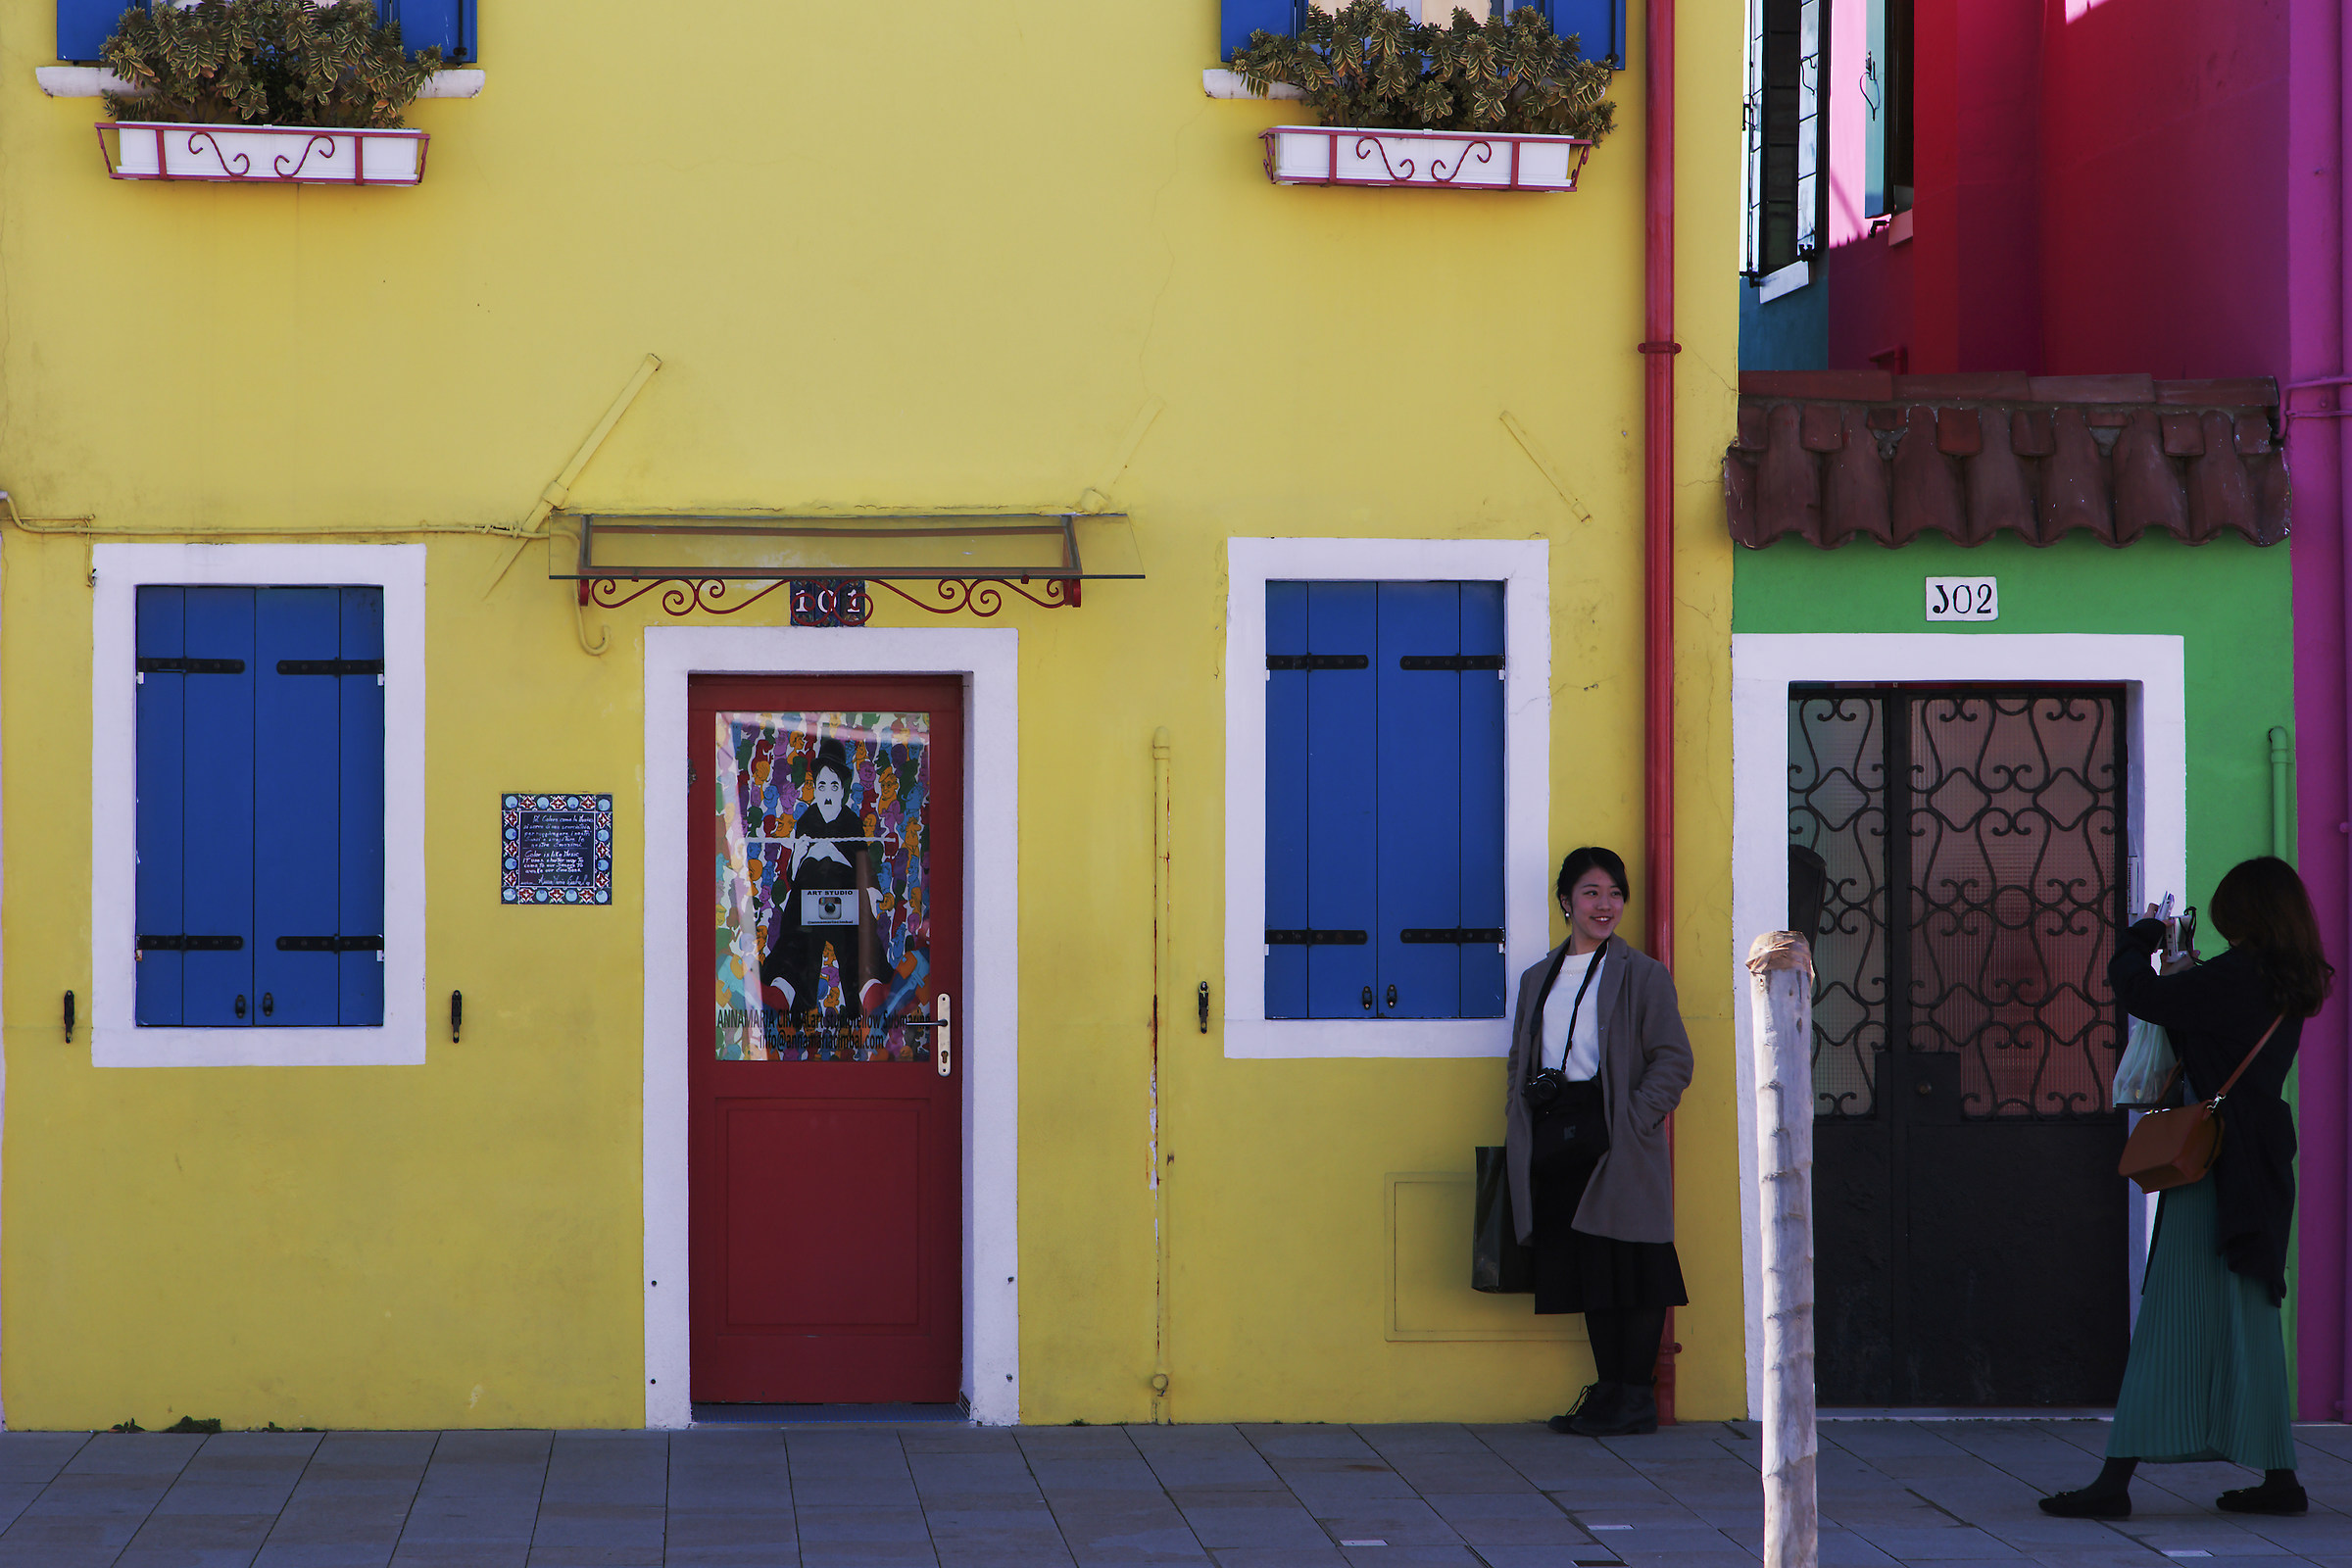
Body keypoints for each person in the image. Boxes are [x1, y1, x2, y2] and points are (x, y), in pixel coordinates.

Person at [2040, 856, 2333, 1519]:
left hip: (2211, 1164)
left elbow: (2140, 996)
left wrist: (2138, 942)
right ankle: (2279, 1479)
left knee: (2170, 1314)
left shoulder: (2234, 977)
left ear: (2245, 912)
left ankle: (2114, 1484)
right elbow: (2200, 1018)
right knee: (2250, 1315)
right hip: (2256, 1163)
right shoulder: (2284, 979)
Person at [1503, 846, 1694, 1437]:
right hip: (1559, 1135)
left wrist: (1632, 1121)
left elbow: (1673, 1060)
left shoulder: (1643, 975)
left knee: (1633, 1264)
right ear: (1566, 901)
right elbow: (1520, 1059)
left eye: (1614, 893)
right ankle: (1609, 1389)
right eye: (1590, 892)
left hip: (1617, 1135)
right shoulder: (1539, 978)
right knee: (1589, 1266)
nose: (1604, 905)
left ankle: (1635, 1395)